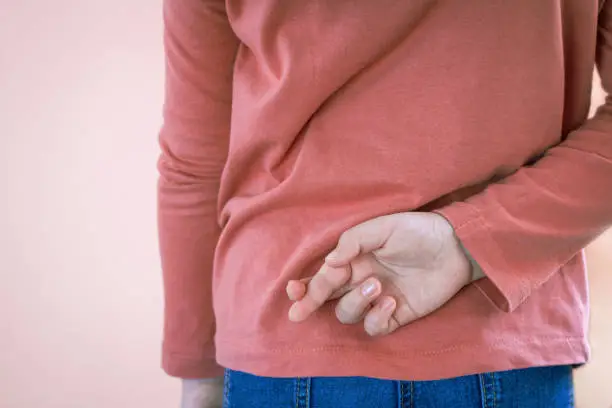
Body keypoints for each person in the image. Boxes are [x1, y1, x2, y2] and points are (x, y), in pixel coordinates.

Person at [156, 0, 612, 406]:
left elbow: (194, 167)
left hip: (287, 332)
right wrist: (473, 240)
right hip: (501, 338)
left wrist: (198, 370)